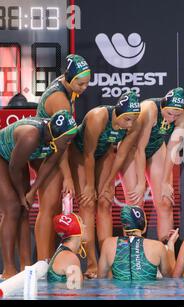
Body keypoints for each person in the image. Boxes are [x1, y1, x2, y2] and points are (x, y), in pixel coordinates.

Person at [69, 91, 141, 278]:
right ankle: (92, 263)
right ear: (118, 113)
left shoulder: (134, 123)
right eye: (127, 120)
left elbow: (122, 154)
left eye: (134, 119)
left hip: (106, 153)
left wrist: (109, 182)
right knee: (87, 203)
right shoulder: (97, 117)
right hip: (79, 153)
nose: (131, 125)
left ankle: (106, 262)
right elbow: (88, 154)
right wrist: (89, 186)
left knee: (105, 202)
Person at [0, 110, 77, 279]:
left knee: (24, 210)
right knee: (12, 208)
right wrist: (22, 195)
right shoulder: (31, 137)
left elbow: (48, 164)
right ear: (55, 134)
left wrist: (33, 191)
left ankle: (25, 266)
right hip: (3, 159)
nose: (69, 142)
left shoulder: (60, 140)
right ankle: (8, 269)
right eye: (67, 139)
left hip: (17, 161)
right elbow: (13, 167)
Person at [31, 54, 91, 263]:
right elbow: (62, 144)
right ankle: (42, 262)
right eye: (80, 83)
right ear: (69, 78)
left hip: (51, 151)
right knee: (47, 209)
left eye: (87, 83)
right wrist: (67, 177)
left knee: (53, 209)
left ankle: (46, 261)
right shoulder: (60, 99)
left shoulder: (65, 87)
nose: (84, 88)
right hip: (47, 154)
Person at [119, 87, 184, 242]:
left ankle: (166, 255)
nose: (171, 118)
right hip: (131, 150)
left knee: (165, 202)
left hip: (156, 146)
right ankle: (132, 254)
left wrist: (165, 182)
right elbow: (139, 148)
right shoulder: (149, 109)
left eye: (176, 115)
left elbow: (173, 147)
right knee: (135, 204)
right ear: (162, 107)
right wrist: (140, 183)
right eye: (169, 113)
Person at [97, 205, 178, 280]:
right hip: (148, 293)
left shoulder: (108, 244)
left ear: (124, 225)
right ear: (143, 224)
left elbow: (101, 278)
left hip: (120, 294)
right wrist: (170, 247)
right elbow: (170, 277)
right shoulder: (157, 247)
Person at [47, 213, 86, 289]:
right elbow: (76, 291)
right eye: (82, 224)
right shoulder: (69, 257)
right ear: (76, 230)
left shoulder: (62, 251)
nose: (86, 226)